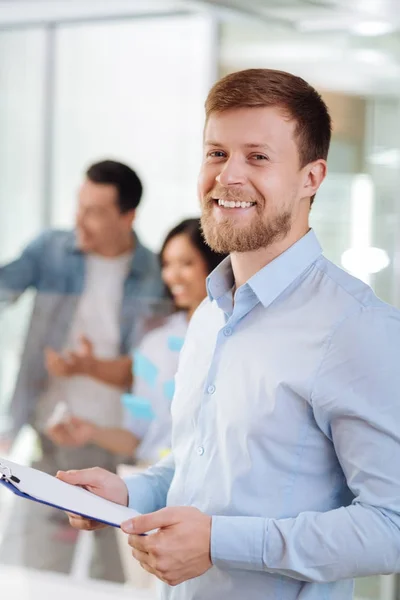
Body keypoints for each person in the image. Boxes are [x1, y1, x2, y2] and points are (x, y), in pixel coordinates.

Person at [60, 69, 400, 600]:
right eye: (216, 153)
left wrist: (221, 542)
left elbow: (391, 527)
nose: (228, 176)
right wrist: (127, 492)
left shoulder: (357, 327)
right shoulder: (210, 315)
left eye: (257, 157)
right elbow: (203, 464)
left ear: (312, 178)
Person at [0, 159, 165, 581]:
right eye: (79, 206)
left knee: (115, 576)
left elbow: (150, 370)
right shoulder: (52, 250)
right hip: (51, 438)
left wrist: (90, 366)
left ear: (128, 217)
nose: (80, 221)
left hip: (117, 447)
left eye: (94, 211)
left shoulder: (154, 275)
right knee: (33, 570)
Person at [46, 218, 226, 465]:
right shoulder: (156, 342)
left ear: (215, 264)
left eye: (186, 263)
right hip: (155, 480)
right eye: (166, 264)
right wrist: (91, 432)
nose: (172, 276)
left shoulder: (237, 337)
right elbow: (137, 437)